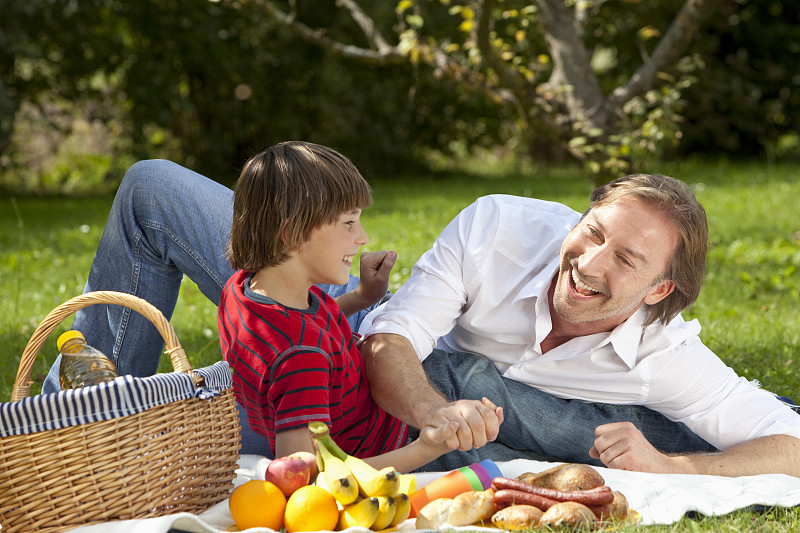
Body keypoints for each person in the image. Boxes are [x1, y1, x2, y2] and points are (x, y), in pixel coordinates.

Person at [358, 175, 800, 475]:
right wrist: (434, 412)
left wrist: (670, 466)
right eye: (593, 232)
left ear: (658, 291)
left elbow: (792, 443)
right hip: (430, 386)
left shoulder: (662, 354)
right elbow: (389, 338)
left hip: (580, 419)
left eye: (625, 260)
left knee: (465, 439)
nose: (587, 264)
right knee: (438, 384)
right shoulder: (494, 229)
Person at [216, 141, 500, 469]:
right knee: (527, 439)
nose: (363, 237)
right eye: (349, 223)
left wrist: (363, 297)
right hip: (396, 447)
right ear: (293, 233)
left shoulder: (244, 289)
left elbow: (306, 327)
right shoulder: (301, 358)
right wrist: (427, 448)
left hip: (376, 397)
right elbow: (309, 479)